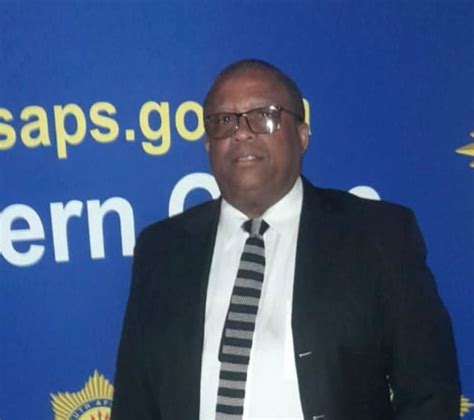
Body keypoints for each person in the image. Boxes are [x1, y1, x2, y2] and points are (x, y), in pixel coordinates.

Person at [111, 59, 460, 420]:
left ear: (302, 135)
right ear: (207, 145)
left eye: (264, 116)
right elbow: (135, 404)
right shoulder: (162, 251)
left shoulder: (378, 236)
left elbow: (429, 393)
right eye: (224, 121)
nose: (241, 133)